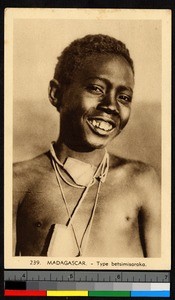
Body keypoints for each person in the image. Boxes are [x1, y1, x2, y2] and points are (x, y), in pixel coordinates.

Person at [13, 34, 160, 257]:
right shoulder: (17, 182)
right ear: (56, 94)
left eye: (124, 97)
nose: (111, 105)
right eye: (96, 88)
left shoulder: (141, 181)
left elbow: (161, 282)